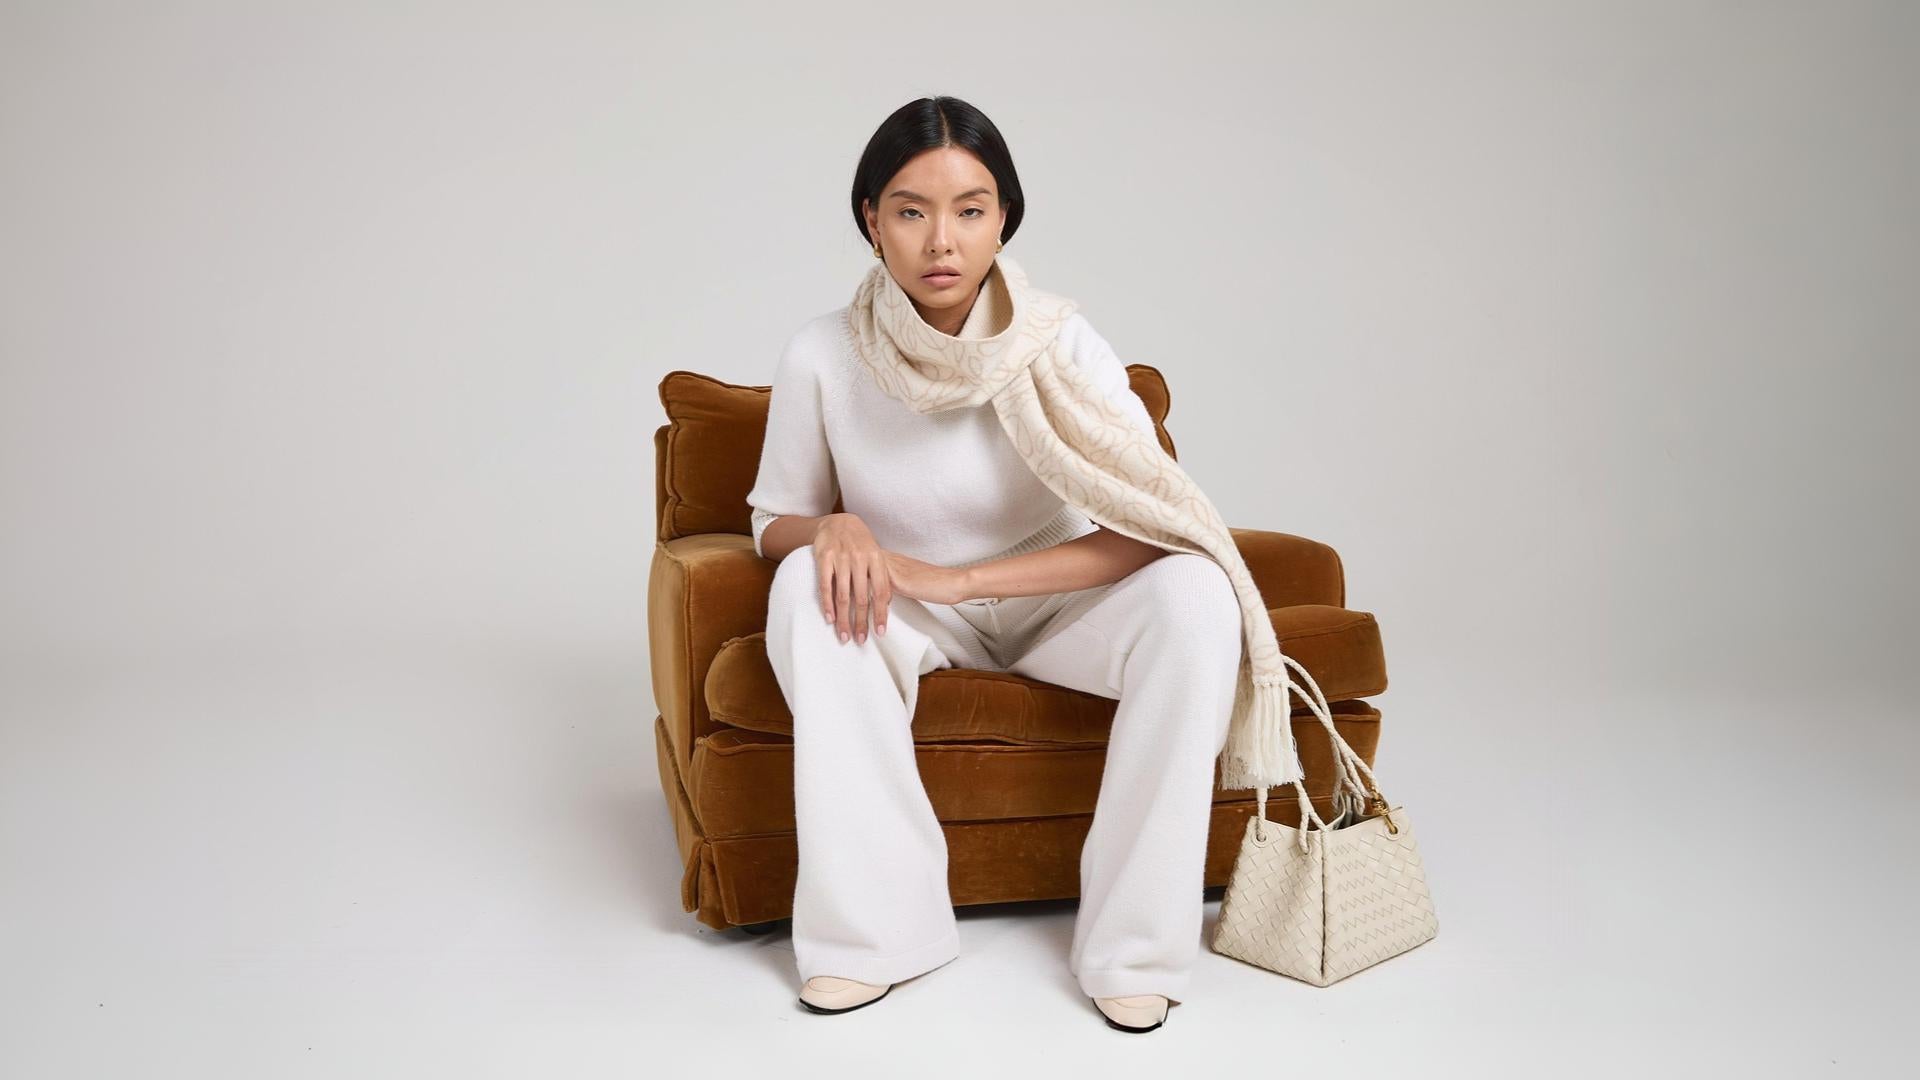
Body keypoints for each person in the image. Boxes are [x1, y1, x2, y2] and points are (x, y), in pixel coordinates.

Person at [745, 96, 1250, 1035]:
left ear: (1004, 218)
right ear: (870, 220)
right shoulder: (821, 352)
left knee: (1197, 593)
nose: (943, 240)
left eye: (971, 209)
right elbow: (774, 518)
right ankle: (872, 941)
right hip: (903, 605)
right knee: (802, 595)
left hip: (1055, 607)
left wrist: (968, 581)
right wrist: (830, 533)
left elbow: (1158, 523)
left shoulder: (1059, 343)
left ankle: (1133, 950)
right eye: (911, 209)